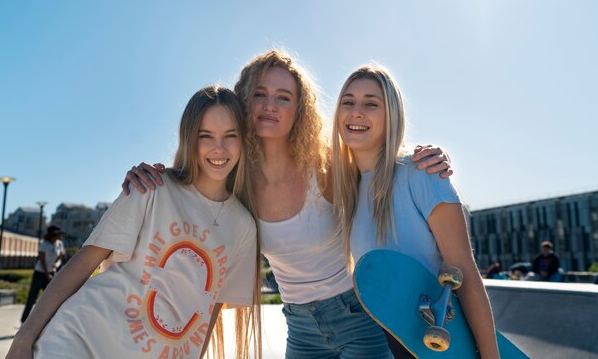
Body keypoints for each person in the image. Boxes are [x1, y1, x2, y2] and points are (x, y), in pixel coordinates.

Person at [123, 50, 454, 358]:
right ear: (243, 103)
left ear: (299, 110)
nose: (270, 105)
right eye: (259, 94)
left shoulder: (327, 167)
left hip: (359, 317)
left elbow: (380, 159)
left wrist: (425, 156)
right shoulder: (235, 183)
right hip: (299, 327)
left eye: (284, 97)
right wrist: (149, 177)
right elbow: (187, 188)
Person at [7, 86, 261, 359]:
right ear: (189, 138)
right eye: (205, 136)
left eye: (230, 136)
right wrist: (23, 339)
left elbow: (211, 309)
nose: (219, 148)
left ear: (243, 140)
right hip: (78, 340)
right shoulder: (152, 186)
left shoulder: (243, 227)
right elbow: (83, 263)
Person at [331, 65, 500, 358]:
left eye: (371, 103)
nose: (356, 111)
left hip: (439, 344)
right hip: (385, 347)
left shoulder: (421, 172)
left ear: (391, 115)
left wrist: (491, 356)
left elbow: (466, 273)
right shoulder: (348, 188)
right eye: (348, 102)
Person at [20, 225, 66, 324]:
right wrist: (47, 274)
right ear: (53, 235)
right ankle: (24, 320)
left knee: (50, 298)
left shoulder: (59, 244)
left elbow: (61, 257)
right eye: (58, 234)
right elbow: (41, 261)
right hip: (40, 274)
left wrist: (55, 266)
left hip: (50, 273)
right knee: (32, 297)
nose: (60, 236)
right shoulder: (44, 244)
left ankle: (46, 321)